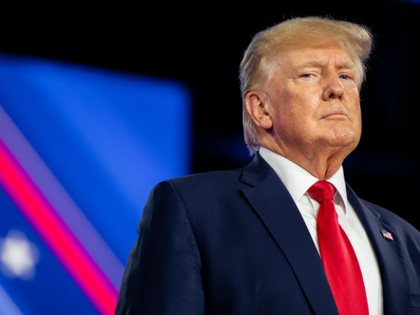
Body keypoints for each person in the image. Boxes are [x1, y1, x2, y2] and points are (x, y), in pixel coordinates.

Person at [115, 17, 420, 315]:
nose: (336, 89)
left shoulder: (406, 240)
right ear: (261, 109)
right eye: (309, 74)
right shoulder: (193, 210)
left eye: (346, 76)